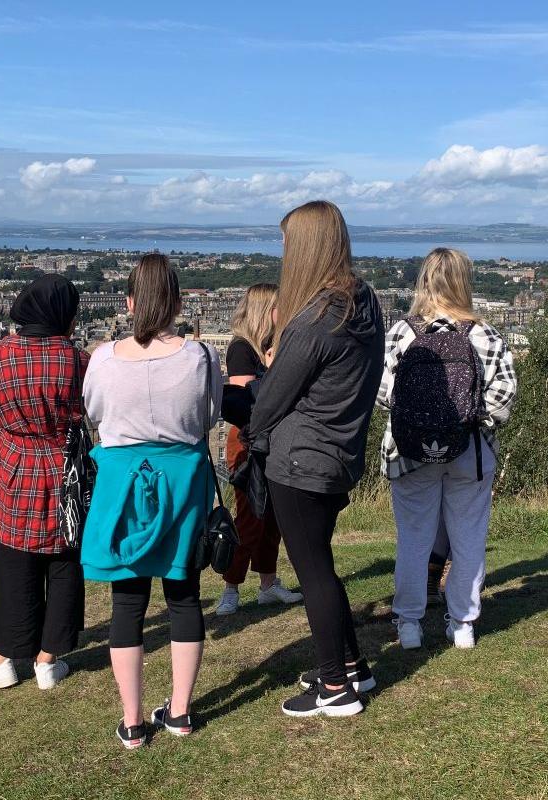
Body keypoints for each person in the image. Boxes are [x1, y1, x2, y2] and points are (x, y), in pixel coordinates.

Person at [248, 200, 384, 717]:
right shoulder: (363, 302)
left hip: (301, 460)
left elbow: (269, 402)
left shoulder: (313, 322)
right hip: (340, 454)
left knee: (314, 574)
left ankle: (333, 688)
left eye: (287, 242)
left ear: (304, 246)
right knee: (321, 565)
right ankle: (351, 666)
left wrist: (250, 420)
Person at [81, 253, 222, 749]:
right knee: (182, 593)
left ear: (129, 301)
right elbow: (210, 415)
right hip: (182, 480)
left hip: (123, 482)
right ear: (179, 302)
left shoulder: (102, 358)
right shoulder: (201, 357)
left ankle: (133, 720)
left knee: (128, 599)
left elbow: (95, 411)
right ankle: (180, 712)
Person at [379, 247, 517, 650]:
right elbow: (504, 398)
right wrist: (469, 420)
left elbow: (384, 393)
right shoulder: (484, 334)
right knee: (469, 538)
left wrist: (419, 419)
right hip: (470, 453)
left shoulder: (402, 333)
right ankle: (462, 625)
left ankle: (408, 625)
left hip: (409, 454)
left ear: (423, 281)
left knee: (413, 538)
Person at [0, 274, 87, 691]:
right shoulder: (77, 359)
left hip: (16, 463)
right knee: (66, 561)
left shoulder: (1, 355)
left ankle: (2, 661)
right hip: (66, 465)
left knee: (15, 562)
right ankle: (48, 661)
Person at [215, 283, 304, 616]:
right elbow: (245, 402)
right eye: (278, 307)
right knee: (250, 517)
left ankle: (268, 584)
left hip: (272, 438)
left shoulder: (270, 345)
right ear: (264, 310)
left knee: (273, 519)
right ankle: (231, 587)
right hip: (249, 441)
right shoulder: (242, 348)